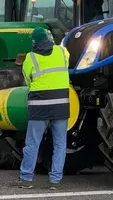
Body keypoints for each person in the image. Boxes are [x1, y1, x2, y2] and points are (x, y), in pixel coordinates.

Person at [12, 26, 70, 190]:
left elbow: (28, 80)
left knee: (32, 142)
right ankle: (55, 181)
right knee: (60, 144)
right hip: (61, 105)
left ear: (34, 43)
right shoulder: (62, 52)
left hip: (39, 106)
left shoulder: (30, 58)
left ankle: (26, 178)